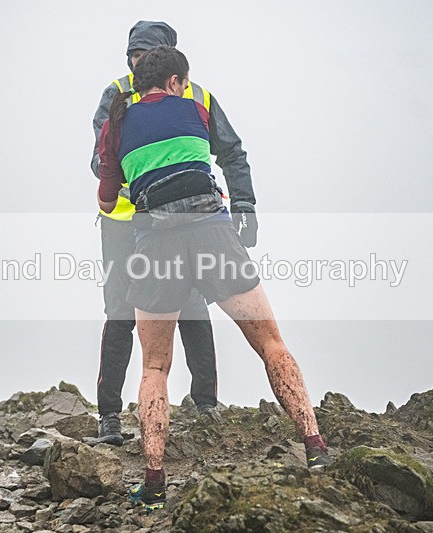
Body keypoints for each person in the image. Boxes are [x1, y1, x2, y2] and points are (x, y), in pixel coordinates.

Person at [98, 45, 331, 511]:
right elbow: (232, 155)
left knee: (154, 368)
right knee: (270, 343)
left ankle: (155, 480)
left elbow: (107, 201)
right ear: (176, 81)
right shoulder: (198, 110)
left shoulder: (115, 125)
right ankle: (315, 446)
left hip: (155, 248)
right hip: (213, 235)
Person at [90, 21, 258, 445]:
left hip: (184, 223)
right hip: (125, 223)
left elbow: (232, 152)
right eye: (133, 55)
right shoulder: (117, 95)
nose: (138, 62)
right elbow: (102, 160)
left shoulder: (197, 96)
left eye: (147, 54)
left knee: (194, 304)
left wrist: (245, 204)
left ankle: (205, 405)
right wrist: (146, 186)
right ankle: (109, 416)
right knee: (120, 311)